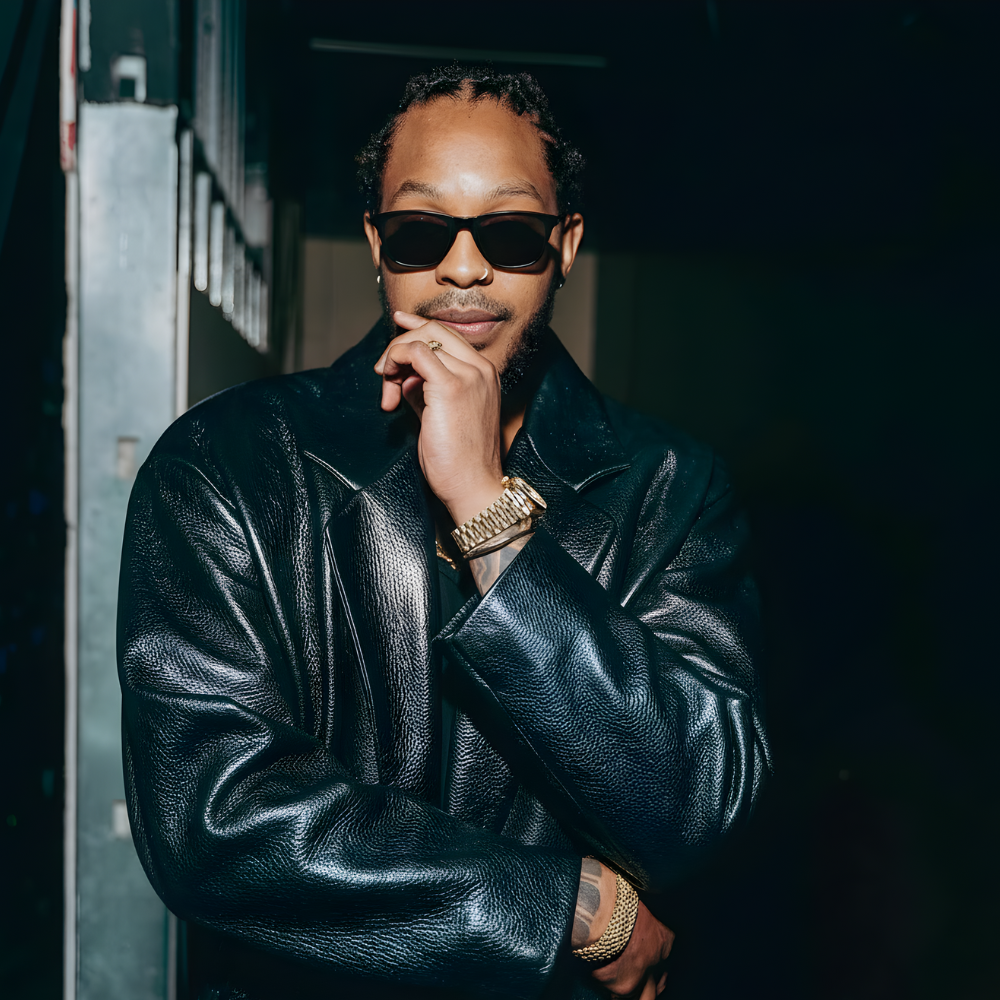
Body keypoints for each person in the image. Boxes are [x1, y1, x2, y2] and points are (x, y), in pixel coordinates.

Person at [118, 65, 771, 1000]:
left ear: (565, 246)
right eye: (423, 233)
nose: (464, 270)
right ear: (377, 245)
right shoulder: (225, 466)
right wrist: (564, 905)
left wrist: (486, 509)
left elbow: (690, 808)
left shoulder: (672, 491)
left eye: (510, 234)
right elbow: (214, 820)